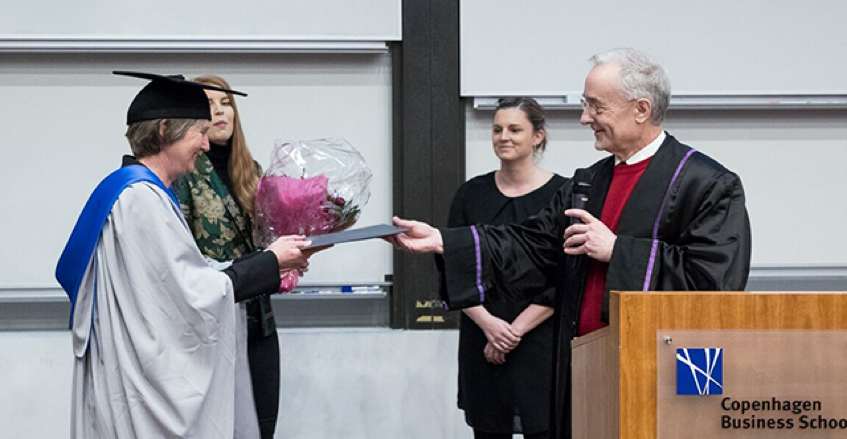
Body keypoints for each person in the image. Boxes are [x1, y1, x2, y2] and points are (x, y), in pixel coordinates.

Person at [389, 48, 752, 439]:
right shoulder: (588, 184)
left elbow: (717, 283)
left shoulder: (709, 183)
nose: (584, 118)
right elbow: (529, 245)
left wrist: (617, 251)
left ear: (641, 109)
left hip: (671, 372)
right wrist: (445, 241)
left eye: (595, 106)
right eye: (585, 105)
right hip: (585, 368)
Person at [56, 71, 323, 439]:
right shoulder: (140, 201)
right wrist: (271, 262)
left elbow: (191, 272)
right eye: (198, 131)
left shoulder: (133, 192)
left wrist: (274, 259)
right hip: (142, 388)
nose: (205, 143)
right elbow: (192, 292)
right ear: (166, 130)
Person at [172, 75, 280, 439]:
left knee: (262, 424)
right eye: (209, 105)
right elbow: (181, 255)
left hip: (259, 319)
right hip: (210, 323)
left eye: (225, 103)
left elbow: (267, 241)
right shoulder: (182, 175)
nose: (219, 112)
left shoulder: (253, 171)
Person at [450, 97, 564, 439]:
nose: (504, 136)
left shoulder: (564, 193)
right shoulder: (470, 194)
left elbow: (567, 273)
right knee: (488, 428)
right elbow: (453, 269)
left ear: (537, 137)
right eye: (497, 129)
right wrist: (490, 327)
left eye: (515, 129)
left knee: (545, 427)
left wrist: (512, 332)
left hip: (539, 338)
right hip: (482, 338)